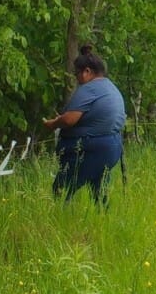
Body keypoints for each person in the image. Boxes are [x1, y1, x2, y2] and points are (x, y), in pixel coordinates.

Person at [42, 45, 126, 205]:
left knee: (62, 187)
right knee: (99, 191)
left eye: (77, 74)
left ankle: (60, 219)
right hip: (112, 148)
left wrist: (54, 123)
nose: (77, 79)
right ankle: (102, 221)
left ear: (87, 71)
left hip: (90, 149)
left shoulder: (89, 89)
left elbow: (69, 120)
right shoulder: (111, 88)